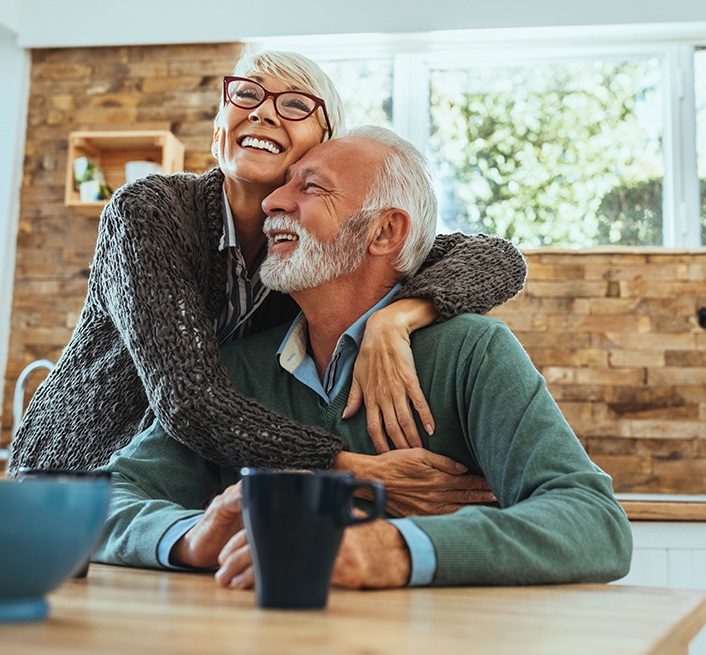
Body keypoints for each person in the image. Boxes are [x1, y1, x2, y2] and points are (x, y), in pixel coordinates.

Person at [95, 126, 632, 589]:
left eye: (310, 188)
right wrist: (191, 537)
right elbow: (105, 500)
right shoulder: (237, 369)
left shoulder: (472, 352)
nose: (272, 202)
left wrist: (389, 549)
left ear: (384, 231)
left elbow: (593, 521)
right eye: (283, 185)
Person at [8, 48, 527, 494]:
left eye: (296, 104)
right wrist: (343, 467)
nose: (262, 113)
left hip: (188, 487)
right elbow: (189, 399)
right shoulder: (149, 212)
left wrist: (395, 320)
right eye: (246, 96)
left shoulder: (310, 254)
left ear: (323, 148)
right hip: (76, 474)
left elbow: (497, 257)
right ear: (218, 134)